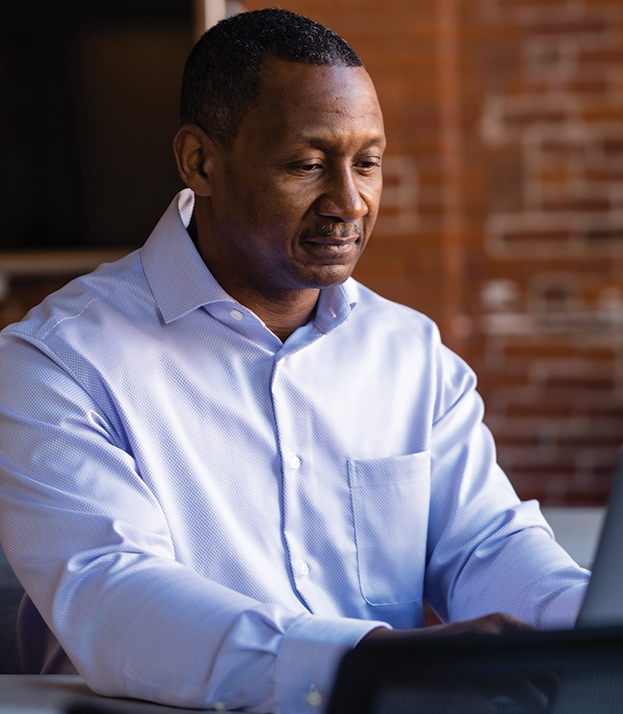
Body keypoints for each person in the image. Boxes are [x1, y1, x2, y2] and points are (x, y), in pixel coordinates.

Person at [0, 9, 589, 713]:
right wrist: (366, 660)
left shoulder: (408, 354)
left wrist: (611, 625)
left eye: (367, 163)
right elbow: (116, 594)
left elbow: (484, 545)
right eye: (307, 165)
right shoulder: (56, 362)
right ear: (201, 162)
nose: (349, 202)